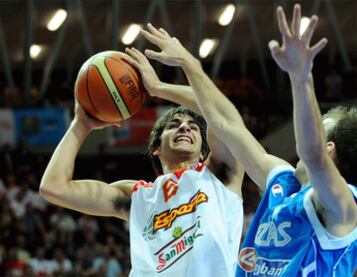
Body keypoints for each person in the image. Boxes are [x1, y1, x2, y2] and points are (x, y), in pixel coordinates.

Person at [132, 3, 357, 276]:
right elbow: (227, 123)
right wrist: (187, 66)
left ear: (329, 148)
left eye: (319, 128)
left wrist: (301, 79)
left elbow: (313, 156)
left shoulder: (343, 209)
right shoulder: (283, 182)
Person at [39, 57, 245, 276]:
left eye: (193, 127)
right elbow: (54, 188)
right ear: (156, 147)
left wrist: (159, 88)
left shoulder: (220, 174)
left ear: (204, 151)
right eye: (174, 125)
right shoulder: (138, 197)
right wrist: (80, 125)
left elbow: (224, 115)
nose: (184, 127)